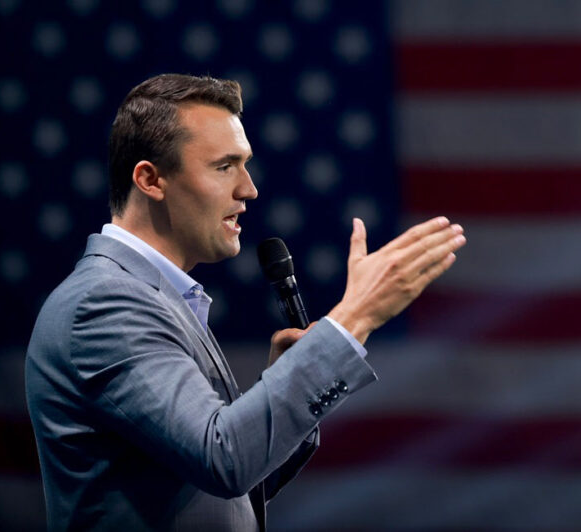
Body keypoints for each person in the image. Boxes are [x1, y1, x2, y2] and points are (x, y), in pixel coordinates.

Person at [25, 74, 466, 531]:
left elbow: (227, 491)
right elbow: (225, 458)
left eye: (246, 164)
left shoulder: (155, 297)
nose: (249, 189)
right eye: (224, 167)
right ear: (150, 179)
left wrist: (287, 379)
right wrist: (355, 316)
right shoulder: (104, 303)